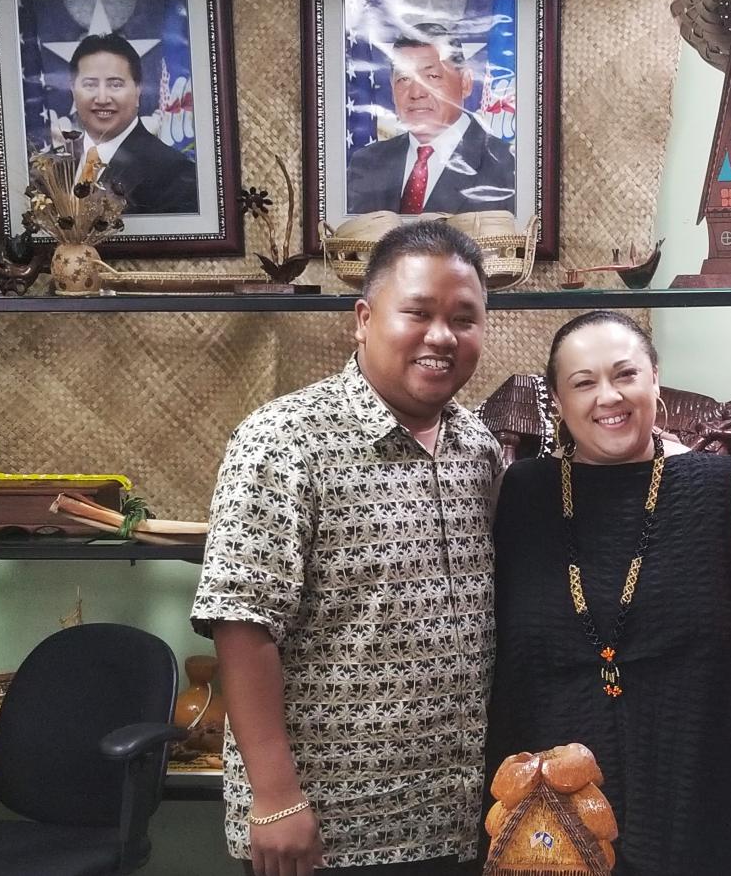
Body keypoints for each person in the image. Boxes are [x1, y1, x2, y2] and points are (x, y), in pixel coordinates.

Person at [190, 220, 501, 876]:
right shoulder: (283, 441)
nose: (442, 336)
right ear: (363, 319)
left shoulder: (479, 446)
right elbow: (242, 624)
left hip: (454, 818)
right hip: (325, 830)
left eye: (464, 319)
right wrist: (274, 797)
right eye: (417, 312)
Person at [488, 310, 731, 875]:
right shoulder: (525, 494)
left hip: (698, 781)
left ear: (654, 378)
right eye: (583, 382)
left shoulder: (718, 487)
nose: (608, 397)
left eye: (625, 375)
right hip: (551, 805)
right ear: (555, 398)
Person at [346, 25, 516, 216]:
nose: (417, 93)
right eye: (404, 78)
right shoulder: (366, 164)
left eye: (432, 76)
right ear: (392, 87)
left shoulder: (508, 168)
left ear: (466, 82)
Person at [68, 33, 199, 215]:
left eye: (115, 85)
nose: (102, 98)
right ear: (73, 90)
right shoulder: (51, 168)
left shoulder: (174, 173)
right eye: (90, 85)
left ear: (138, 91)